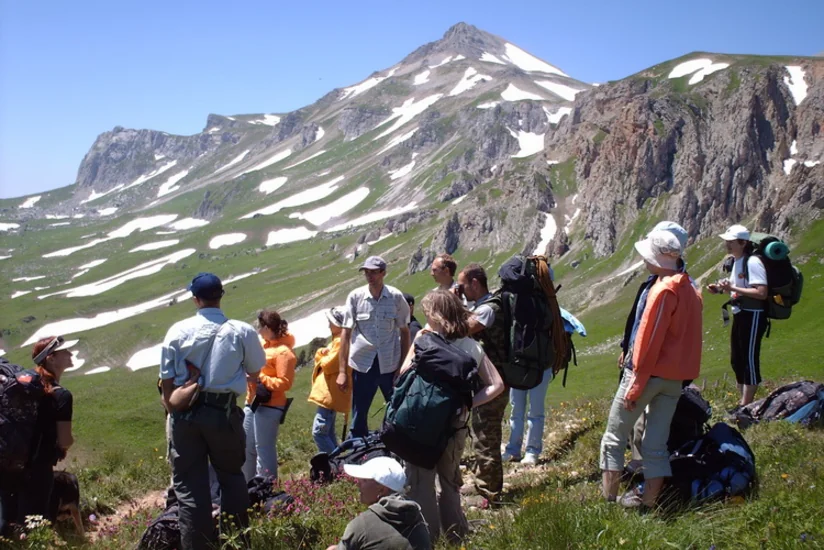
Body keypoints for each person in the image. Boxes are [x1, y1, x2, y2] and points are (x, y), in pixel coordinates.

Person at [159, 272, 266, 550]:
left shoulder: (176, 331)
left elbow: (166, 381)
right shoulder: (241, 331)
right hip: (223, 413)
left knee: (190, 488)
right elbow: (255, 371)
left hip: (185, 416)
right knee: (231, 478)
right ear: (220, 297)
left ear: (195, 300)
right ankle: (236, 542)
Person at [600, 230, 702, 509]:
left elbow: (647, 343)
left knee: (613, 437)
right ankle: (649, 504)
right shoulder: (691, 289)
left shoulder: (662, 290)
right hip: (674, 380)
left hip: (647, 376)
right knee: (656, 445)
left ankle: (608, 502)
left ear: (657, 257)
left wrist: (635, 384)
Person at [402, 290, 504, 543]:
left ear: (434, 317)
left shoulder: (423, 340)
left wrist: (418, 339)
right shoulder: (471, 346)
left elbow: (402, 376)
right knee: (449, 482)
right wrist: (468, 404)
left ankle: (429, 539)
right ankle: (456, 537)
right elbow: (496, 385)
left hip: (421, 423)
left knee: (421, 482)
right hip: (454, 424)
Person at [617, 221, 690, 466]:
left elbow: (655, 333)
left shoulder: (670, 286)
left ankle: (640, 468)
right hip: (644, 363)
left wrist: (638, 367)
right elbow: (637, 320)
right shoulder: (659, 281)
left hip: (653, 368)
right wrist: (626, 346)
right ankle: (646, 468)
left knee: (640, 418)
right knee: (641, 419)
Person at [0, 336, 76, 535]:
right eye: (65, 351)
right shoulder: (62, 395)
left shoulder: (27, 389)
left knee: (11, 524)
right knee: (36, 528)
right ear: (50, 358)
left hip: (12, 464)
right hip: (39, 469)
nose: (70, 353)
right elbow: (65, 440)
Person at [337, 256, 411, 438]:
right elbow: (345, 333)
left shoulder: (395, 297)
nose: (369, 276)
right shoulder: (355, 297)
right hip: (363, 365)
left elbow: (405, 332)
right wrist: (342, 371)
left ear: (383, 273)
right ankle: (358, 452)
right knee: (359, 414)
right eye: (366, 272)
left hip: (390, 364)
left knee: (397, 409)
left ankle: (398, 449)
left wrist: (402, 367)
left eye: (374, 272)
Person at [504, 308, 587, 465]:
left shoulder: (544, 306)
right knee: (529, 410)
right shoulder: (548, 306)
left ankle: (523, 451)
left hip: (535, 365)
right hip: (530, 365)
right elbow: (576, 327)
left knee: (523, 410)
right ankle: (524, 451)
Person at [456, 263, 508, 501]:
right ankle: (481, 482)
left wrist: (454, 306)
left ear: (474, 283)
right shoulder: (481, 307)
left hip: (494, 382)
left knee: (487, 436)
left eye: (462, 285)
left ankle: (490, 491)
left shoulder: (488, 309)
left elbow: (460, 331)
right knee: (480, 432)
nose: (461, 290)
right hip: (485, 381)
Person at [707, 224, 768, 409]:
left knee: (749, 357)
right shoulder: (736, 261)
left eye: (731, 242)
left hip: (753, 314)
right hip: (740, 313)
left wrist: (731, 288)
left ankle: (745, 405)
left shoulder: (753, 262)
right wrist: (719, 289)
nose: (727, 245)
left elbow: (761, 292)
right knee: (737, 358)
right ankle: (741, 402)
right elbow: (738, 288)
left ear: (742, 243)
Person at [327, 456, 431, 550]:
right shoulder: (417, 517)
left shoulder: (361, 525)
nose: (358, 484)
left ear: (381, 489)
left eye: (364, 480)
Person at [242, 309, 296, 481]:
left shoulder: (283, 352)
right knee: (247, 446)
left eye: (260, 326)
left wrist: (260, 377)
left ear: (267, 327)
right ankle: (247, 485)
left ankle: (265, 487)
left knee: (263, 448)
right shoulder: (263, 345)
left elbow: (284, 383)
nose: (258, 330)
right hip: (252, 403)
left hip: (270, 405)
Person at [308, 307, 351, 454]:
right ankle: (338, 467)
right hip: (330, 394)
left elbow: (328, 365)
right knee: (328, 433)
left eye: (330, 322)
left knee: (319, 432)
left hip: (330, 394)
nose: (328, 325)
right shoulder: (338, 341)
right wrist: (322, 353)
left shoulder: (340, 342)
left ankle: (336, 465)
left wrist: (320, 356)